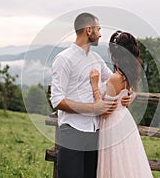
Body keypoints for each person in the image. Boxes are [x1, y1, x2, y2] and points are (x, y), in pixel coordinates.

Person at [50, 13, 132, 178]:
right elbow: (57, 101)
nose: (100, 34)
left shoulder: (96, 58)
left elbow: (118, 81)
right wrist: (93, 108)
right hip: (72, 131)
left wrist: (131, 94)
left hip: (95, 133)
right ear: (89, 30)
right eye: (98, 29)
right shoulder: (63, 59)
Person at [89, 31, 154, 178]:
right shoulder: (130, 72)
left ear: (114, 53)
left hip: (112, 124)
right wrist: (132, 95)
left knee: (116, 165)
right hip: (124, 120)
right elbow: (128, 92)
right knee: (128, 162)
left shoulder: (115, 78)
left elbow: (106, 111)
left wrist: (94, 86)